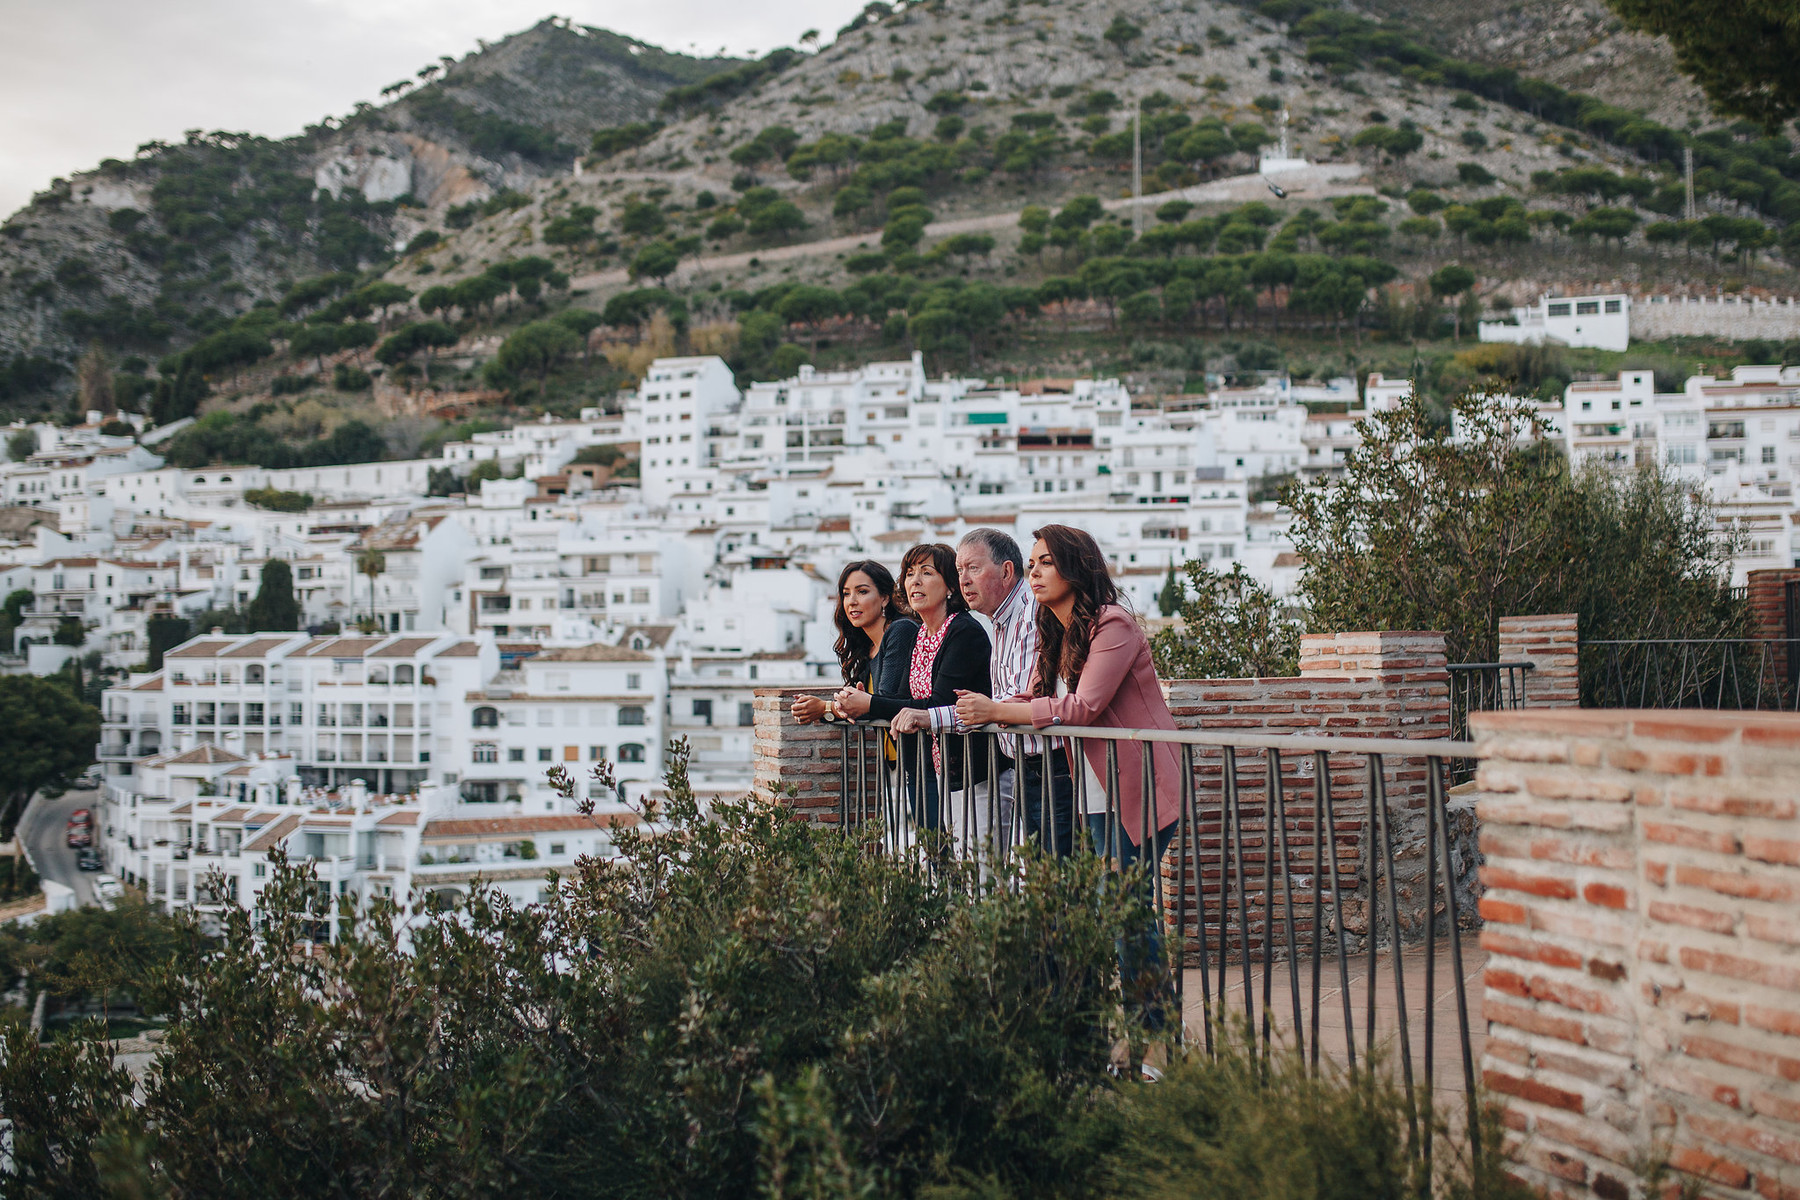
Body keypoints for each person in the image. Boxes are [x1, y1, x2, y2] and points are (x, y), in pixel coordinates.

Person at [948, 524, 1182, 1031]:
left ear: (1076, 566)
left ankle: (1157, 1037)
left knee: (1124, 912)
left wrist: (998, 712)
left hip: (1138, 784)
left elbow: (1082, 707)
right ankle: (1141, 1032)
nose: (1033, 572)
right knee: (1117, 912)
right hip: (1096, 790)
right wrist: (989, 709)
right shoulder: (1058, 633)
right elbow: (1033, 700)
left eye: (1045, 562)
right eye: (1031, 563)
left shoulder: (1111, 625)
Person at [835, 543, 1000, 852]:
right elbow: (906, 699)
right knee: (940, 861)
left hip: (967, 772)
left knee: (976, 871)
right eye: (910, 574)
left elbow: (937, 704)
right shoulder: (921, 635)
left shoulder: (964, 632)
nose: (915, 582)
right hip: (927, 767)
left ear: (951, 586)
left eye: (927, 573)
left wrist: (869, 704)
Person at [938, 528, 1076, 857]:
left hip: (1051, 768)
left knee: (1052, 879)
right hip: (1027, 767)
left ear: (1006, 571)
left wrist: (952, 714)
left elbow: (1016, 701)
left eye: (973, 568)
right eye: (959, 571)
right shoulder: (1000, 622)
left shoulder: (1030, 616)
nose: (964, 580)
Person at [791, 560, 915, 725]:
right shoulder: (866, 646)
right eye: (846, 594)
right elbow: (858, 705)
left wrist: (825, 708)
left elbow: (882, 702)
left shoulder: (901, 630)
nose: (852, 601)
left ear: (884, 598)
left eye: (862, 592)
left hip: (920, 748)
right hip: (890, 750)